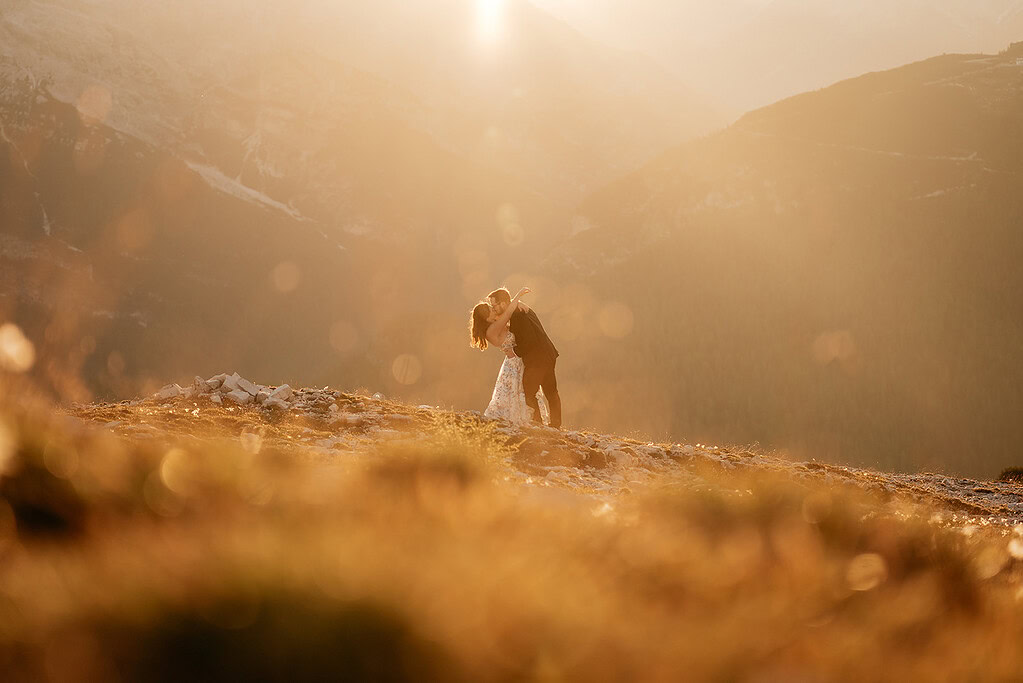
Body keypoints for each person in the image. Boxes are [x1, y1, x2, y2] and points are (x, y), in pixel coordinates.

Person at [487, 287, 561, 428]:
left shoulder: (517, 316)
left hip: (537, 358)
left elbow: (528, 340)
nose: (493, 308)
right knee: (551, 391)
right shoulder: (520, 310)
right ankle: (555, 424)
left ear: (503, 303)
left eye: (494, 305)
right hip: (548, 353)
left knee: (528, 391)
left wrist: (513, 351)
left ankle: (537, 422)